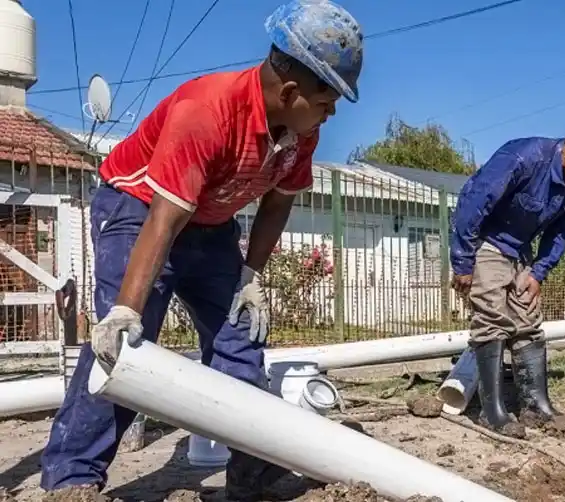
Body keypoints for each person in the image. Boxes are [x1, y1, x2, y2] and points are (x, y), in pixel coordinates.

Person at [39, 1, 363, 500]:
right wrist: (126, 309)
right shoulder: (206, 110)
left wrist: (250, 276)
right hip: (138, 210)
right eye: (328, 98)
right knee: (123, 350)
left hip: (210, 225)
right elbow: (164, 219)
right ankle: (72, 479)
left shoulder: (303, 129)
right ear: (292, 90)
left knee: (240, 340)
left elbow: (277, 204)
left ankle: (253, 471)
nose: (333, 110)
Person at [450, 104, 565, 438]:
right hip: (487, 245)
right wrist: (463, 261)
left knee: (528, 323)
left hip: (521, 252)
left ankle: (536, 405)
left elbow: (560, 234)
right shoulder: (523, 157)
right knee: (493, 318)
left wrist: (538, 273)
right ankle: (492, 412)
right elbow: (474, 201)